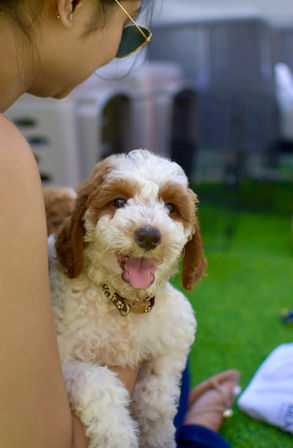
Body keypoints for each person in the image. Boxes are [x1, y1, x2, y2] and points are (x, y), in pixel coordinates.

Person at [0, 1, 239, 446]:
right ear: (70, 5)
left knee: (170, 346)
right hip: (90, 405)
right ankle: (202, 424)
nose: (118, 54)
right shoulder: (5, 159)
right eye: (131, 33)